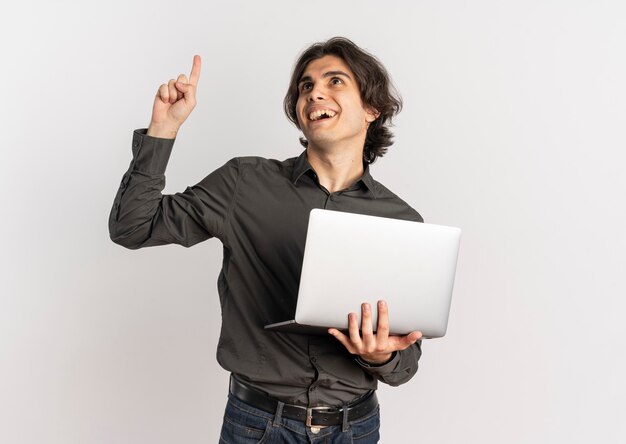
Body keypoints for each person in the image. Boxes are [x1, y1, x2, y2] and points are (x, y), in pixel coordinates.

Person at [110, 37, 424, 443]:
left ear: (371, 108)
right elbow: (133, 227)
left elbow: (407, 362)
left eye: (335, 81)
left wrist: (380, 355)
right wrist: (163, 130)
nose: (315, 94)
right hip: (257, 427)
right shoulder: (244, 182)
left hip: (356, 430)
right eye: (306, 86)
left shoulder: (402, 221)